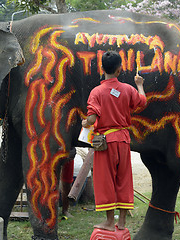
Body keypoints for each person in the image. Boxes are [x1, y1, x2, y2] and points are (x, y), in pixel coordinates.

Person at [82, 51, 146, 231]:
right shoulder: (128, 89)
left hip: (105, 142)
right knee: (124, 179)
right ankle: (122, 222)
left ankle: (109, 222)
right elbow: (142, 101)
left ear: (102, 69)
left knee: (105, 180)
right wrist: (139, 85)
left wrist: (85, 122)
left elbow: (93, 119)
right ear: (119, 70)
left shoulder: (97, 92)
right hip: (124, 140)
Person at [60, 148, 76, 219]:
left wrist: (72, 149)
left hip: (68, 150)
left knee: (67, 182)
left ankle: (65, 210)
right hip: (52, 149)